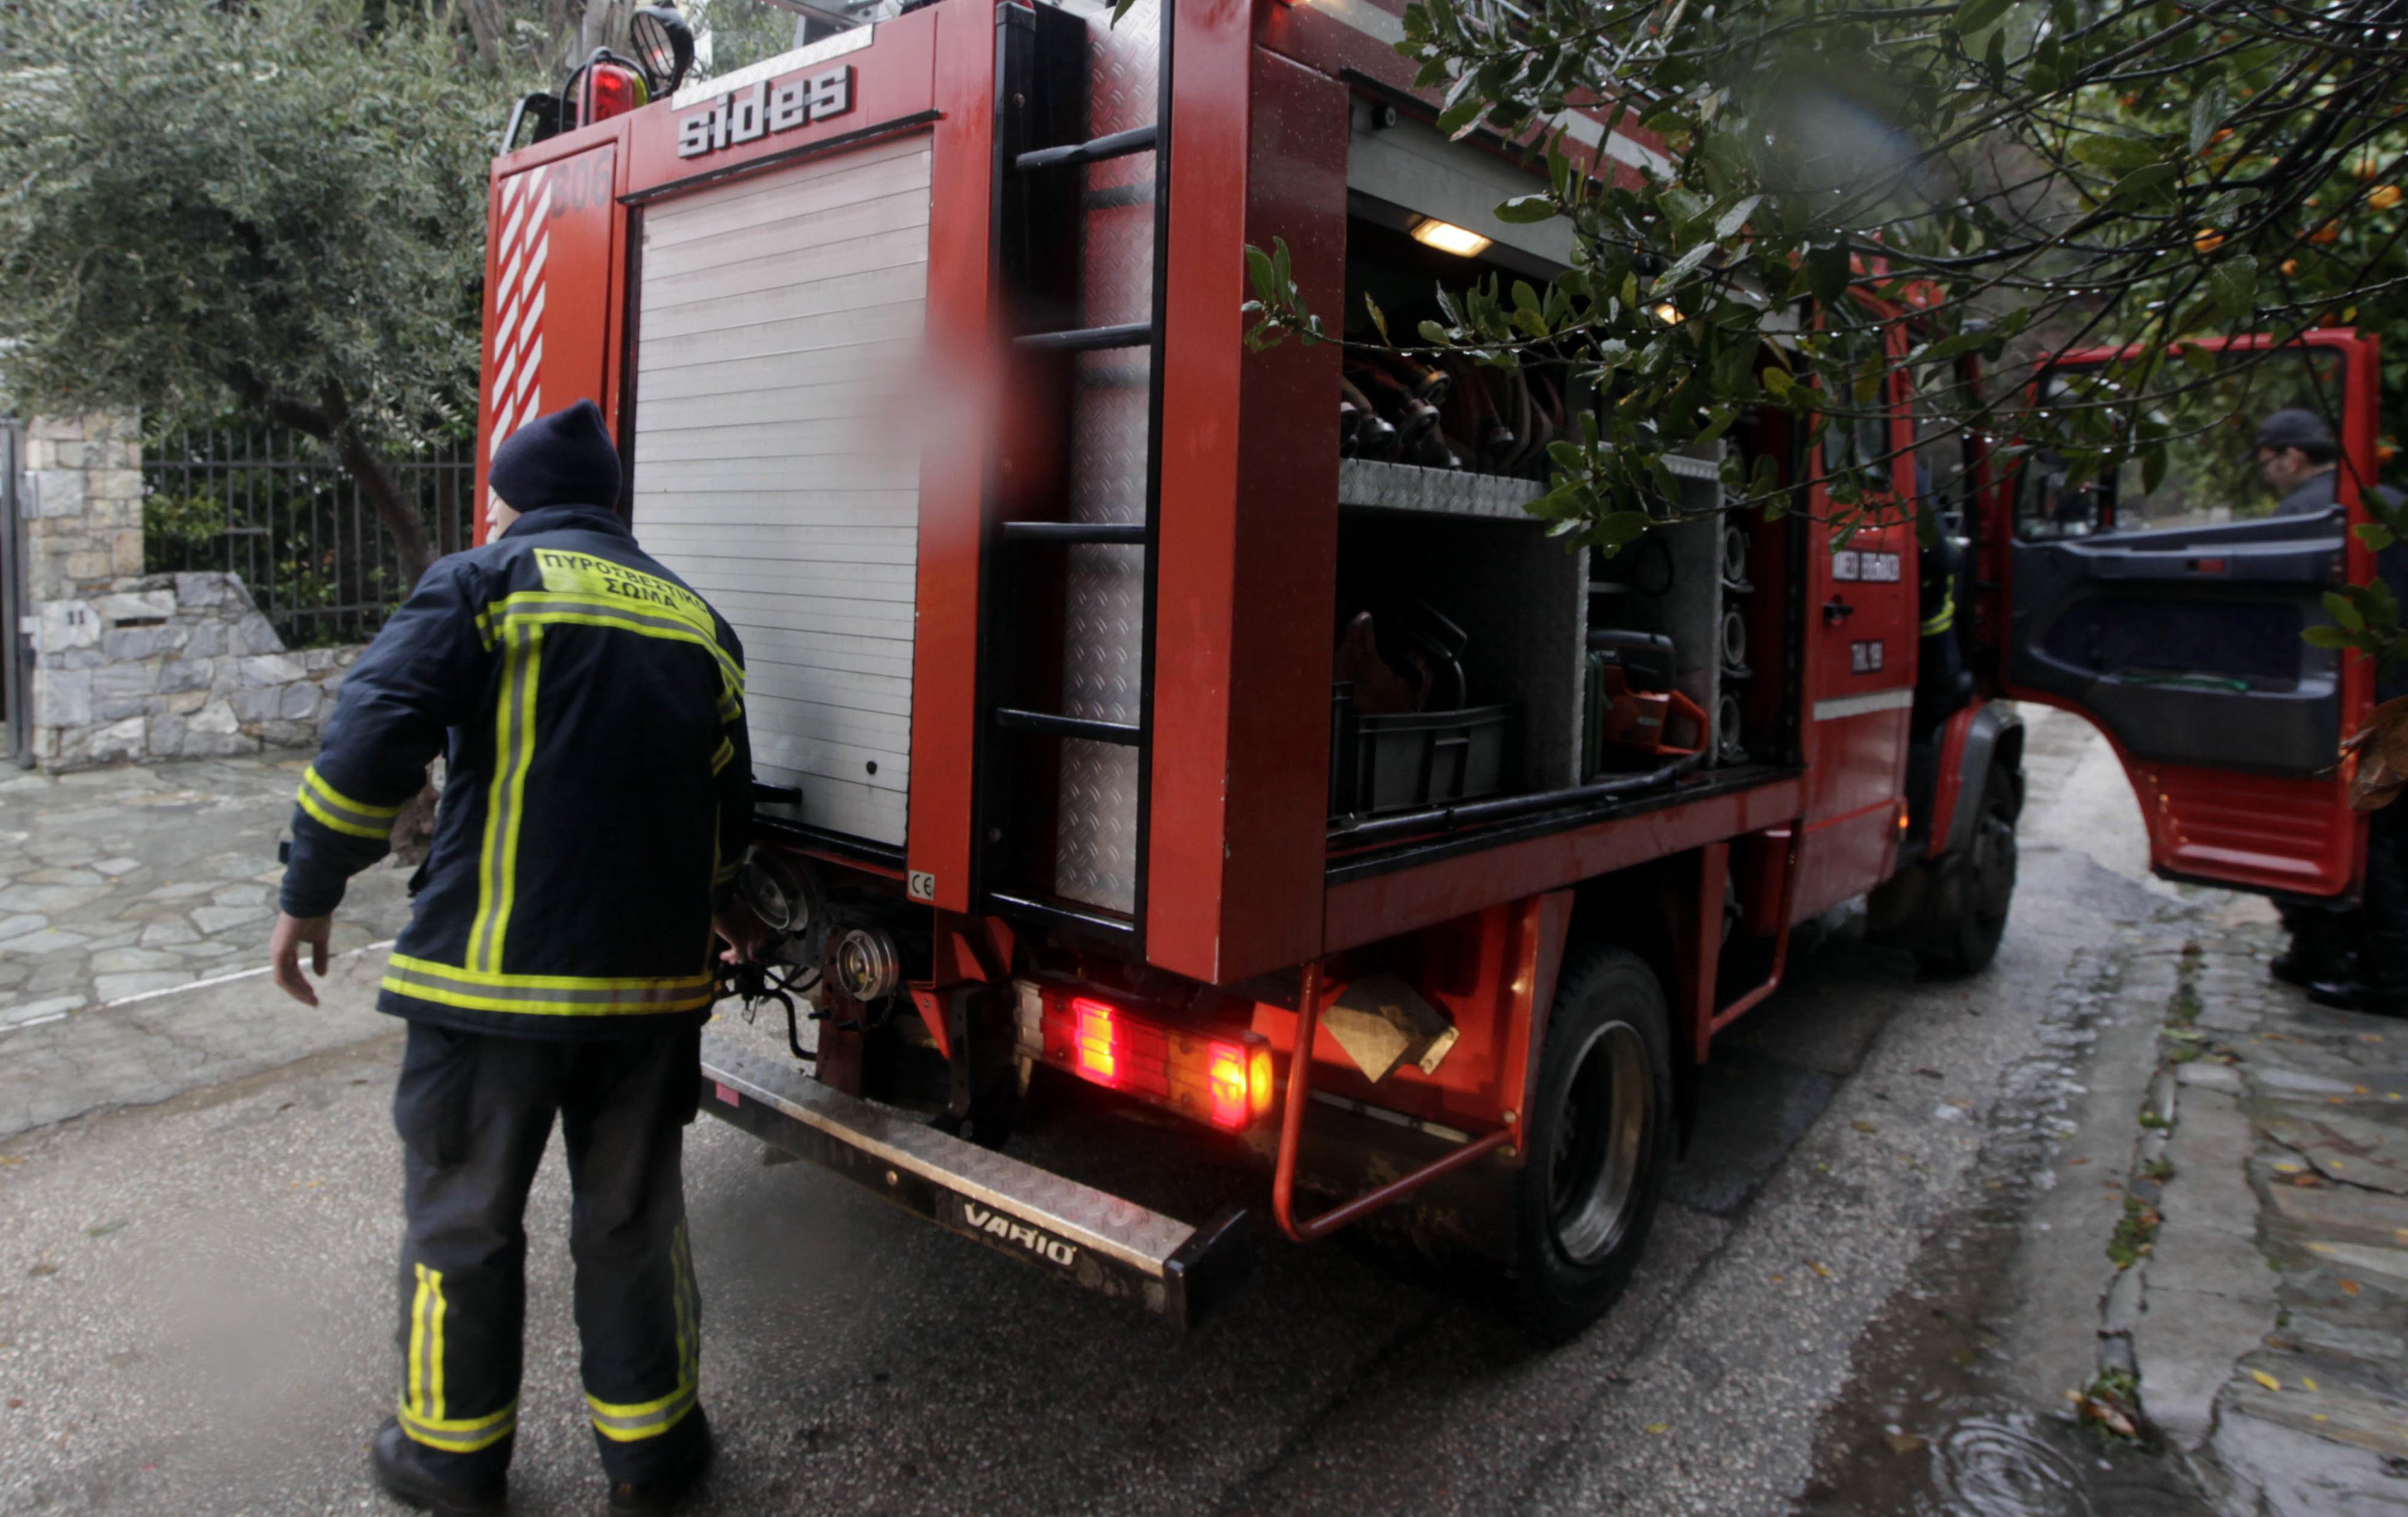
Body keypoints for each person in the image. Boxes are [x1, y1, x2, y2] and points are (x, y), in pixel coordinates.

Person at [267, 399, 767, 1516]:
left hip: (488, 988)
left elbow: (369, 738)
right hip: (647, 996)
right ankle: (653, 1458)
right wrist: (723, 899)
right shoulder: (699, 623)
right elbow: (725, 802)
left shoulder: (481, 581)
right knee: (634, 1223)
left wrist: (308, 890)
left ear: (516, 495)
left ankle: (449, 1464)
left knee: (465, 1221)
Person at [2258, 407, 2345, 516]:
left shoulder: (2294, 511)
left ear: (2292, 458)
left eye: (2266, 464)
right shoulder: (2365, 493)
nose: (2268, 480)